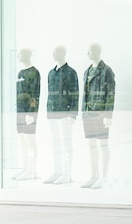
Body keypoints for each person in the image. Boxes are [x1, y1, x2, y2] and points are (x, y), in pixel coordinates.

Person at [81, 43, 116, 189]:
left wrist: (108, 115)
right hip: (88, 113)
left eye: (89, 51)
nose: (87, 54)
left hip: (101, 113)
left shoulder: (107, 71)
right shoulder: (87, 71)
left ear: (96, 52)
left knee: (103, 144)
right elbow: (85, 94)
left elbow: (110, 94)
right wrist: (82, 111)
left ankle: (104, 177)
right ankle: (93, 175)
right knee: (91, 145)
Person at [45, 45, 79, 185]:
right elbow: (49, 93)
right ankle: (57, 171)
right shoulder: (51, 73)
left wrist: (73, 114)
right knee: (55, 144)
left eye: (55, 52)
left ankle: (67, 174)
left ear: (62, 53)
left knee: (66, 144)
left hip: (65, 114)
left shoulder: (71, 73)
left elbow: (75, 93)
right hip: (52, 113)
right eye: (52, 52)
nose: (53, 54)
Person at [15, 48, 41, 180]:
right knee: (22, 141)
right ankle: (25, 169)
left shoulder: (34, 73)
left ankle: (32, 170)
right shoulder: (20, 73)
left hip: (28, 113)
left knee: (30, 141)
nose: (17, 56)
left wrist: (32, 113)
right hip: (19, 112)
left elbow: (35, 94)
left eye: (19, 54)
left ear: (25, 55)